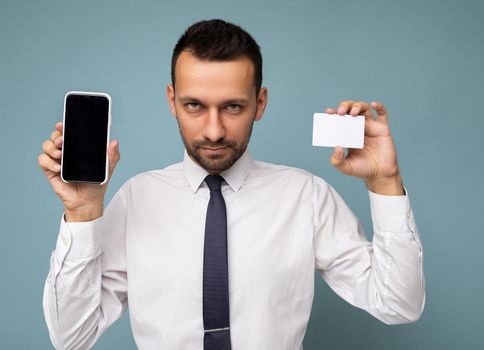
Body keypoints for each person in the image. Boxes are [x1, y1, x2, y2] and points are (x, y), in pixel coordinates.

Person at [38, 19, 425, 350]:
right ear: (171, 101)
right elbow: (72, 336)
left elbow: (399, 304)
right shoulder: (137, 200)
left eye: (232, 107)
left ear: (261, 103)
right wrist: (82, 213)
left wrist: (385, 182)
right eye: (194, 105)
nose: (214, 130)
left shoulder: (305, 196)